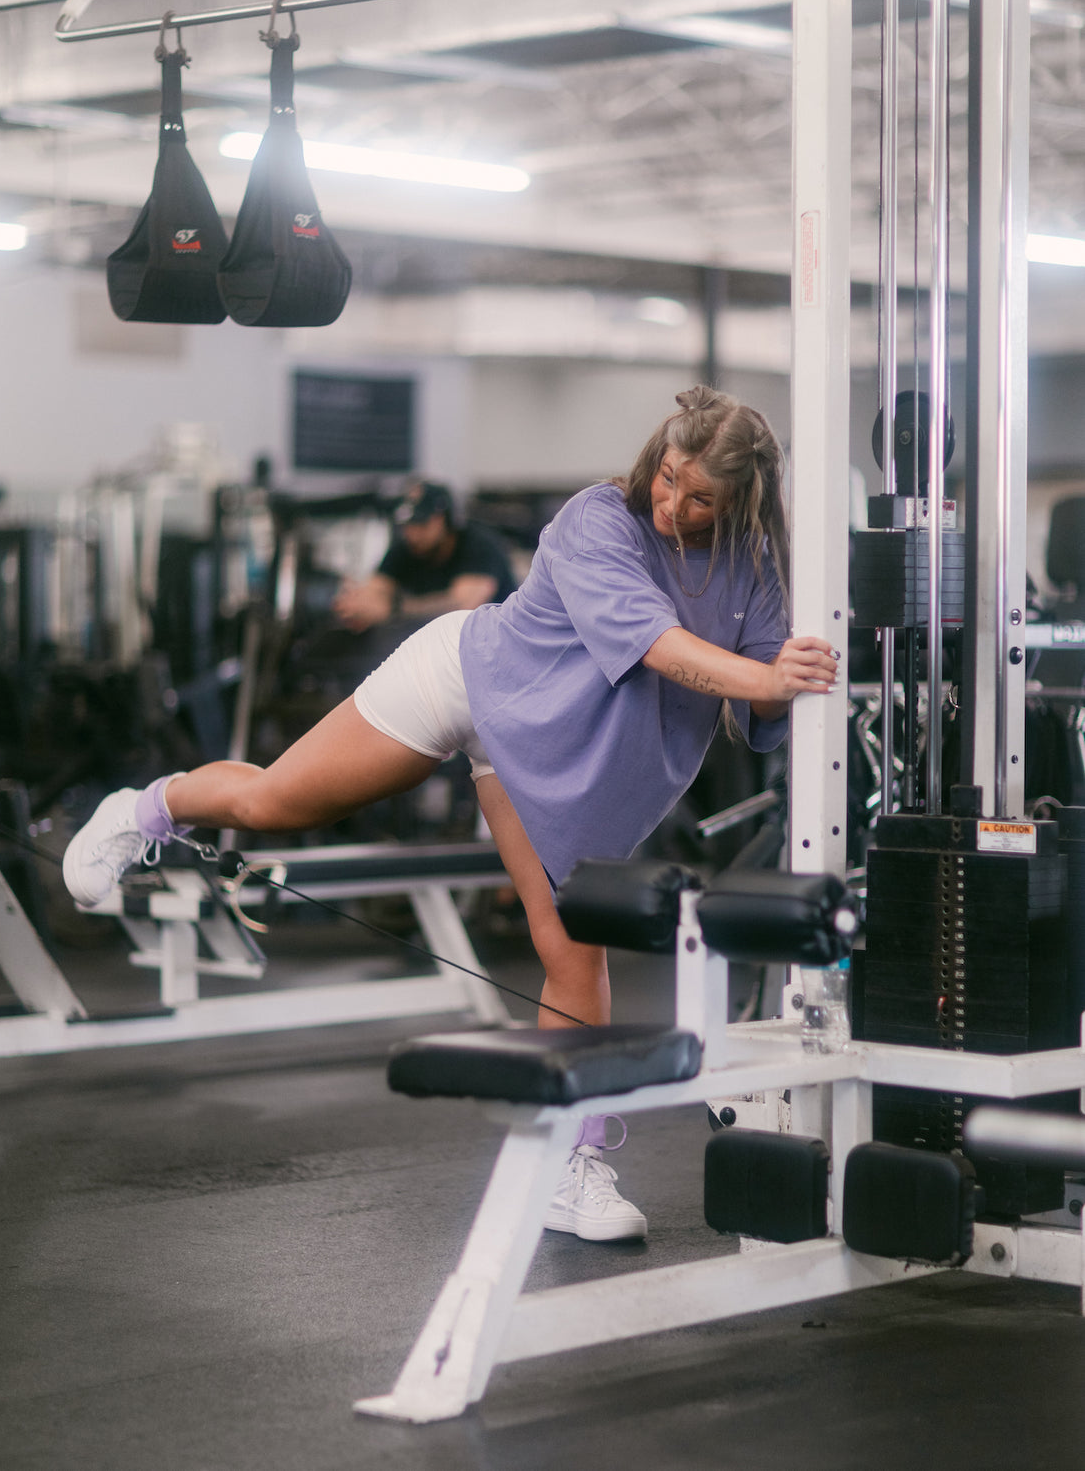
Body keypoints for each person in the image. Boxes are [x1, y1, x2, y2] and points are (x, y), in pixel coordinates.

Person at [63, 387, 838, 1243]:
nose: (672, 504)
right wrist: (762, 678)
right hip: (470, 678)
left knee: (570, 943)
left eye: (699, 498)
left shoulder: (755, 566)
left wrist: (788, 673)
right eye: (668, 477)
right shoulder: (598, 518)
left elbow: (764, 705)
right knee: (273, 799)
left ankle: (568, 1164)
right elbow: (654, 641)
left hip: (545, 755)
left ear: (742, 503)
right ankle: (145, 808)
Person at [333, 480, 516, 633]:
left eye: (421, 524)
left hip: (497, 645)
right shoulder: (407, 547)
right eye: (407, 525)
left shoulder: (479, 545)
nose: (412, 533)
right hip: (439, 648)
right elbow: (376, 589)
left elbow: (461, 606)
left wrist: (393, 609)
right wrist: (357, 604)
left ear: (444, 519)